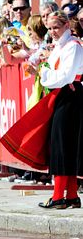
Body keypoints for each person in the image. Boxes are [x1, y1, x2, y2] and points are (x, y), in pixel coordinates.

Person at [24, 11, 83, 209]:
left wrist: (42, 72)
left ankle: (60, 196)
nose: (52, 32)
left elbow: (66, 76)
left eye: (56, 27)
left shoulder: (72, 46)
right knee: (63, 146)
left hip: (70, 96)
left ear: (67, 25)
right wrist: (40, 68)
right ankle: (71, 195)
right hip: (62, 96)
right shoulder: (59, 46)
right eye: (49, 28)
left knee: (63, 146)